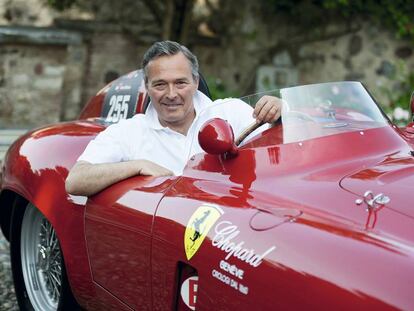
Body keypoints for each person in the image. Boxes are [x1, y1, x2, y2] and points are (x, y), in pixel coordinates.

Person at [65, 41, 282, 196]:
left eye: (180, 83)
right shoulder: (129, 131)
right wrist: (137, 166)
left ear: (196, 82)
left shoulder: (230, 111)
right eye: (160, 84)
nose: (171, 94)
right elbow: (75, 181)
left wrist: (280, 112)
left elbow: (289, 143)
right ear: (147, 87)